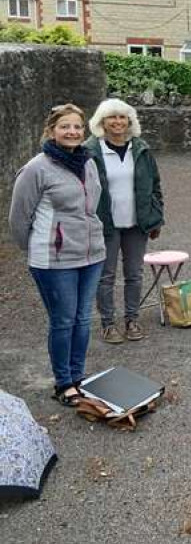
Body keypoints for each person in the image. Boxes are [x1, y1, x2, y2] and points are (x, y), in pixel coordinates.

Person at [9, 105, 106, 406]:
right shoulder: (36, 168)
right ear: (51, 131)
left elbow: (94, 203)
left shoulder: (87, 162)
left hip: (91, 255)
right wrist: (41, 247)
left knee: (83, 319)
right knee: (63, 321)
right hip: (54, 260)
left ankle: (78, 376)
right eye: (65, 126)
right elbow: (18, 218)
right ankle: (63, 383)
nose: (73, 132)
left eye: (77, 126)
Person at [83, 99, 164, 344]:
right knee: (106, 276)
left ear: (130, 121)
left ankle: (132, 319)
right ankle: (108, 323)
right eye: (111, 117)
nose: (117, 122)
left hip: (136, 223)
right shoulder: (90, 151)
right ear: (101, 122)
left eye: (122, 117)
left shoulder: (140, 148)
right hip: (105, 224)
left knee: (134, 274)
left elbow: (155, 185)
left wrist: (156, 216)